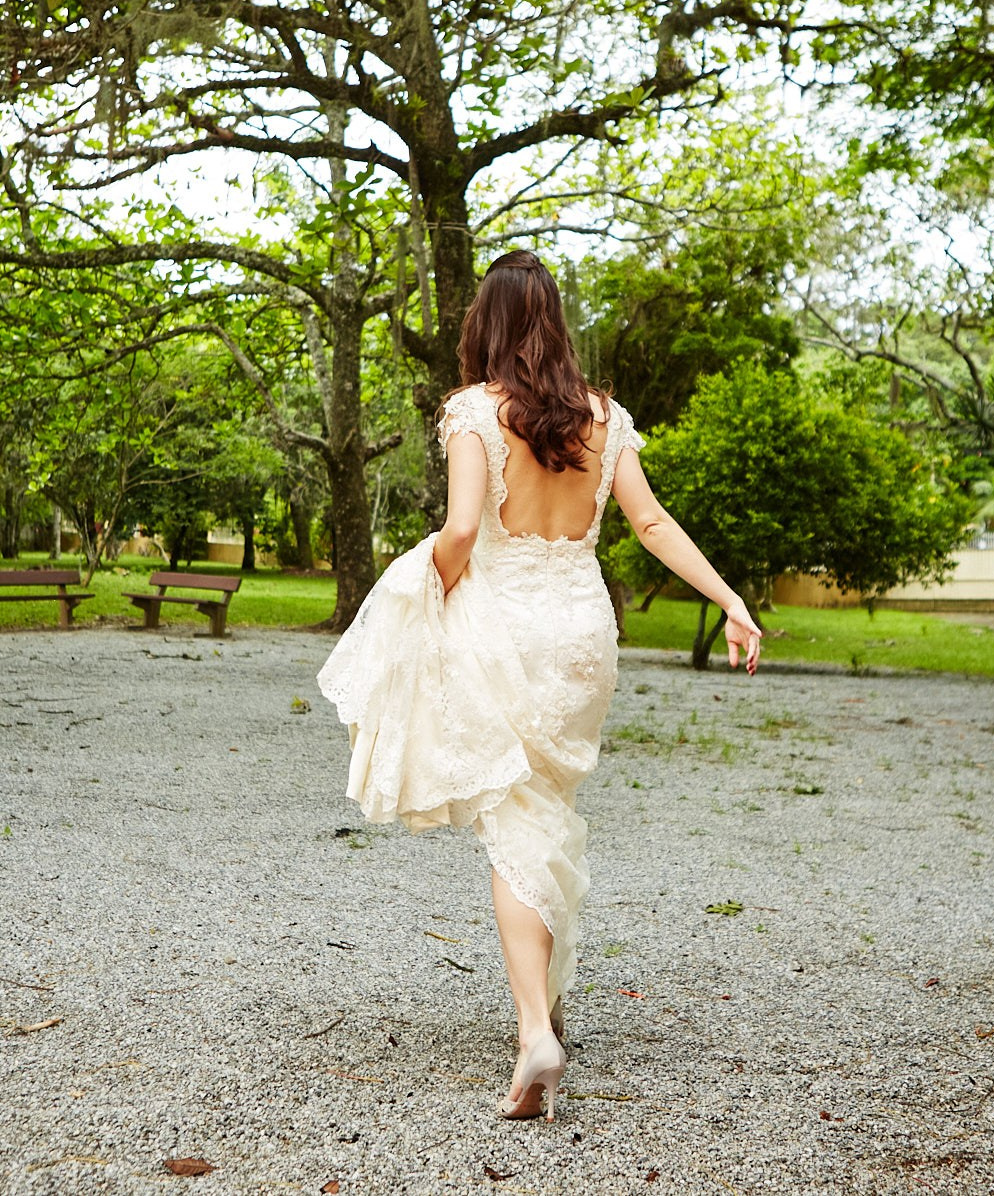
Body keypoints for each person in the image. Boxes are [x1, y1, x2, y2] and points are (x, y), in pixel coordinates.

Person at [318, 249, 761, 1122]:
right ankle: (550, 1003)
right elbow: (651, 521)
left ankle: (534, 1032)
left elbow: (460, 530)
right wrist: (729, 597)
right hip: (584, 636)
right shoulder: (605, 417)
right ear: (555, 325)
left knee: (514, 830)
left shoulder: (472, 412)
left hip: (506, 629)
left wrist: (428, 586)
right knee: (545, 815)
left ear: (486, 323)